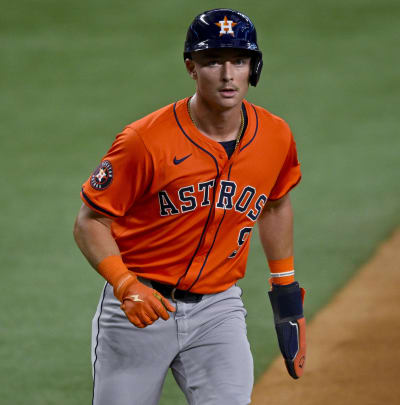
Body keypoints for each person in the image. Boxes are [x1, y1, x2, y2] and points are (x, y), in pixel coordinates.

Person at [73, 8, 306, 405]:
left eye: (239, 60)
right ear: (191, 68)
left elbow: (274, 205)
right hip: (140, 309)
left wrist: (285, 289)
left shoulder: (275, 135)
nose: (228, 75)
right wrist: (125, 284)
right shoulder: (144, 141)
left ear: (254, 67)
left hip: (219, 310)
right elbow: (90, 222)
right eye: (213, 61)